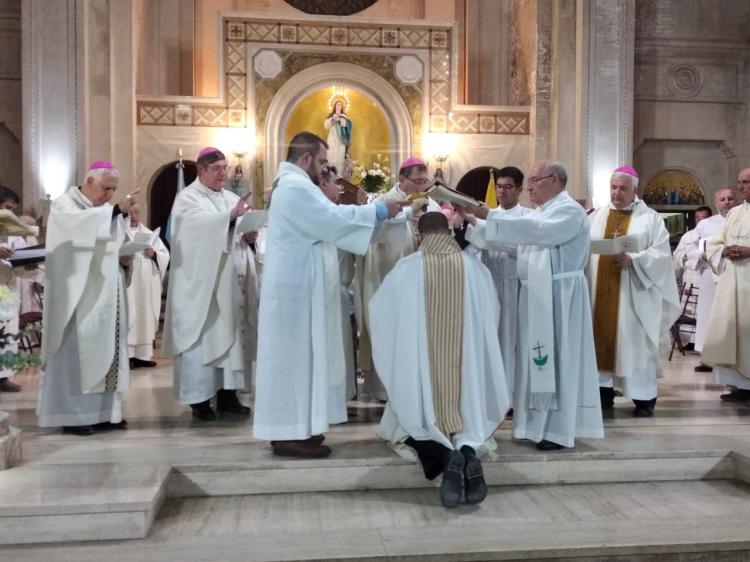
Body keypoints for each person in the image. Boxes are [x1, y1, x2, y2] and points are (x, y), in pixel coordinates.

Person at [253, 131, 404, 458]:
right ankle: (287, 432)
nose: (325, 168)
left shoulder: (297, 186)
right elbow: (332, 219)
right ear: (305, 159)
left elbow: (332, 220)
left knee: (302, 361)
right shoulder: (294, 188)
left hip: (300, 290)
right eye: (322, 161)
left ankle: (301, 427)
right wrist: (377, 210)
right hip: (294, 295)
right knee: (292, 362)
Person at [370, 212, 509, 508]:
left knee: (411, 423)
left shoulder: (405, 269)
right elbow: (491, 317)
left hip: (422, 377)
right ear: (448, 231)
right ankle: (468, 452)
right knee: (470, 425)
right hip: (465, 380)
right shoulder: (476, 270)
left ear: (419, 235)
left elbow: (380, 315)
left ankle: (448, 458)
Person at [462, 160, 603, 450]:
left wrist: (487, 213)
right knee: (536, 361)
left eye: (534, 180)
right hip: (539, 294)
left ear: (553, 179)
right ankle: (535, 424)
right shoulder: (546, 211)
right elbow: (516, 244)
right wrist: (475, 222)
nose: (529, 187)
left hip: (560, 296)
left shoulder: (568, 211)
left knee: (559, 360)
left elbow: (538, 231)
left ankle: (558, 431)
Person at [37, 161, 137, 435]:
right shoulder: (64, 206)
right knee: (78, 355)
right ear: (89, 181)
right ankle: (75, 417)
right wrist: (115, 212)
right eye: (106, 188)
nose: (109, 195)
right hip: (77, 297)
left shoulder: (106, 211)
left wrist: (126, 258)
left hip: (107, 295)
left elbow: (115, 243)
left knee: (106, 352)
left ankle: (106, 413)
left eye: (114, 190)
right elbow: (75, 230)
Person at [163, 147, 253, 421]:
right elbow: (192, 231)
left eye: (224, 168)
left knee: (231, 338)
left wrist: (249, 236)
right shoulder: (187, 199)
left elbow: (239, 231)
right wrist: (228, 218)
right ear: (200, 170)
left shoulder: (231, 198)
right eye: (216, 169)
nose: (223, 173)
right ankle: (198, 399)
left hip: (229, 286)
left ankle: (228, 396)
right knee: (201, 340)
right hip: (201, 288)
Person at [588, 167, 680, 417]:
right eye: (613, 187)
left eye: (623, 188)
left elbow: (662, 254)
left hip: (634, 295)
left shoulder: (650, 218)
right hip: (599, 294)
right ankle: (603, 393)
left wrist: (634, 260)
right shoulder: (596, 216)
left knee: (634, 344)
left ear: (635, 190)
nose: (616, 193)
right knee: (600, 341)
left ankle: (644, 398)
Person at [355, 157, 438, 401]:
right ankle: (384, 389)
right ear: (402, 179)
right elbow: (382, 224)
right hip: (387, 275)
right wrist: (411, 210)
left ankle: (412, 387)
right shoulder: (385, 201)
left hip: (417, 276)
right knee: (389, 329)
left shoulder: (429, 202)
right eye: (418, 181)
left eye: (426, 181)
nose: (423, 186)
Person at [464, 166, 532, 411]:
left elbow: (520, 248)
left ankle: (512, 399)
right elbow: (476, 249)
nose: (502, 192)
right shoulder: (488, 214)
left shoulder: (527, 217)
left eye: (507, 187)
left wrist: (479, 226)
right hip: (492, 284)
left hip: (516, 285)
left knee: (512, 341)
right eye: (498, 187)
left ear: (520, 189)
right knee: (491, 339)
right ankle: (492, 396)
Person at [701, 169, 750, 401]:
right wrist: (724, 250)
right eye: (739, 182)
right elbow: (715, 242)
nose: (741, 187)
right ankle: (741, 386)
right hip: (732, 283)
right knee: (735, 332)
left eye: (747, 182)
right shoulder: (735, 213)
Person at [684, 189, 737, 372]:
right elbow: (690, 246)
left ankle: (729, 358)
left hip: (734, 273)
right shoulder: (705, 224)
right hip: (709, 274)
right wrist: (704, 256)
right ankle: (706, 357)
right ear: (716, 203)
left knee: (729, 316)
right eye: (722, 199)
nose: (727, 202)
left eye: (730, 198)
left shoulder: (742, 219)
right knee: (708, 314)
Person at [125, 202, 170, 369]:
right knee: (131, 316)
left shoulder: (150, 235)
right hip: (129, 284)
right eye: (130, 213)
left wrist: (154, 254)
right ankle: (128, 355)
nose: (133, 216)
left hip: (146, 284)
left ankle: (143, 356)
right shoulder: (120, 234)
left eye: (136, 213)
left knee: (144, 315)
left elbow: (165, 255)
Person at [0, 185, 25, 393]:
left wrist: (30, 261)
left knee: (8, 331)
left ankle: (4, 375)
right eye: (8, 208)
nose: (11, 213)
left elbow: (23, 255)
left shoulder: (14, 231)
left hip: (8, 287)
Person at [673, 205, 712, 289]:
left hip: (709, 278)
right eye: (697, 218)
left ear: (710, 218)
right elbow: (677, 256)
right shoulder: (687, 236)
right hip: (690, 280)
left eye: (703, 218)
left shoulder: (717, 235)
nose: (700, 221)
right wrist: (686, 255)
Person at [323, 99, 351, 173]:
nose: (339, 106)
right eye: (337, 104)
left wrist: (340, 119)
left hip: (341, 138)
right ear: (334, 106)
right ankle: (330, 173)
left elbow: (346, 125)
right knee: (330, 153)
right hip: (332, 137)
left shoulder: (344, 116)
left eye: (340, 105)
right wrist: (333, 119)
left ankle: (339, 175)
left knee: (340, 156)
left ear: (342, 107)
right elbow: (326, 126)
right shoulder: (330, 115)